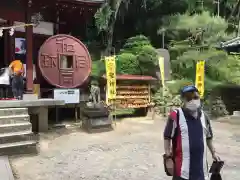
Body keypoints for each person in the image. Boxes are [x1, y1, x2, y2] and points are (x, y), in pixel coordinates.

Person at [163, 85, 220, 180]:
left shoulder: (204, 117)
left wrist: (214, 153)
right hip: (181, 171)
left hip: (201, 171)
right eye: (189, 98)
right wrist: (168, 157)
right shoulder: (175, 115)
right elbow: (167, 137)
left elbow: (208, 137)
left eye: (196, 97)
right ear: (183, 100)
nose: (193, 101)